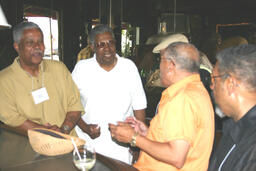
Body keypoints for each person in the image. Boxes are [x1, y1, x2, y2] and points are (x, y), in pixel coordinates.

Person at [109, 42, 215, 171]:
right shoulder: (197, 91)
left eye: (161, 60)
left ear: (171, 66)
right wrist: (148, 134)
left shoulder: (182, 99)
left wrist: (133, 138)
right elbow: (180, 141)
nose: (159, 67)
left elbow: (176, 156)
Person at [72, 24, 147, 164]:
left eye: (110, 43)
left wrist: (138, 144)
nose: (107, 48)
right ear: (93, 47)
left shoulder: (128, 67)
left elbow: (139, 106)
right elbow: (71, 105)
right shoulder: (82, 69)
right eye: (101, 44)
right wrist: (85, 128)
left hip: (121, 147)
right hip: (89, 145)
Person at [0, 21, 86, 136]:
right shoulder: (4, 80)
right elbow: (12, 119)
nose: (37, 47)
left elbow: (75, 105)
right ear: (17, 46)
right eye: (30, 43)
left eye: (40, 41)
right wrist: (47, 132)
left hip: (66, 143)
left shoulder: (59, 69)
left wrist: (63, 130)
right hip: (27, 148)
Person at [208, 44, 256, 171]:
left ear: (230, 84)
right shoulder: (234, 127)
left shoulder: (251, 144)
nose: (212, 87)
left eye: (214, 80)